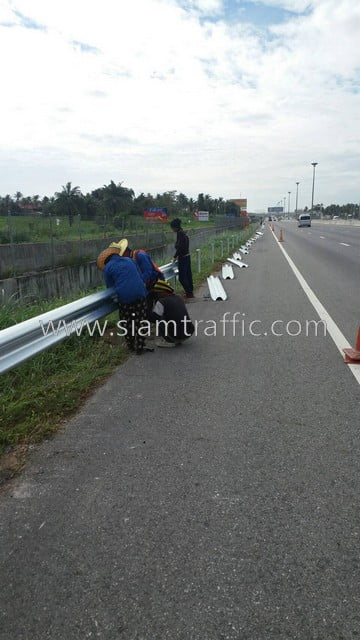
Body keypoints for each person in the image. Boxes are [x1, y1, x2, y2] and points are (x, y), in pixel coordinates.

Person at [97, 246, 149, 355]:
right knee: (140, 320)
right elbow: (139, 276)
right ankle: (140, 346)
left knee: (127, 322)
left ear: (106, 261)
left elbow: (110, 288)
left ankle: (131, 345)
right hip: (140, 293)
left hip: (125, 298)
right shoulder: (130, 260)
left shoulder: (108, 268)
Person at [148, 279, 195, 348]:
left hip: (175, 336)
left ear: (163, 292)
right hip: (189, 332)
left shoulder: (161, 302)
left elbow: (154, 319)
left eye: (158, 293)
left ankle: (169, 340)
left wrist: (148, 310)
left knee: (159, 317)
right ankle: (177, 338)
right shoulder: (178, 297)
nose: (157, 295)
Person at [170, 218, 195, 301]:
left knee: (182, 277)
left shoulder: (180, 234)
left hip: (183, 257)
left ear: (175, 227)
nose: (172, 229)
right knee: (188, 275)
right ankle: (190, 292)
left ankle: (189, 293)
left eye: (172, 228)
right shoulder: (183, 233)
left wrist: (175, 256)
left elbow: (180, 247)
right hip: (187, 256)